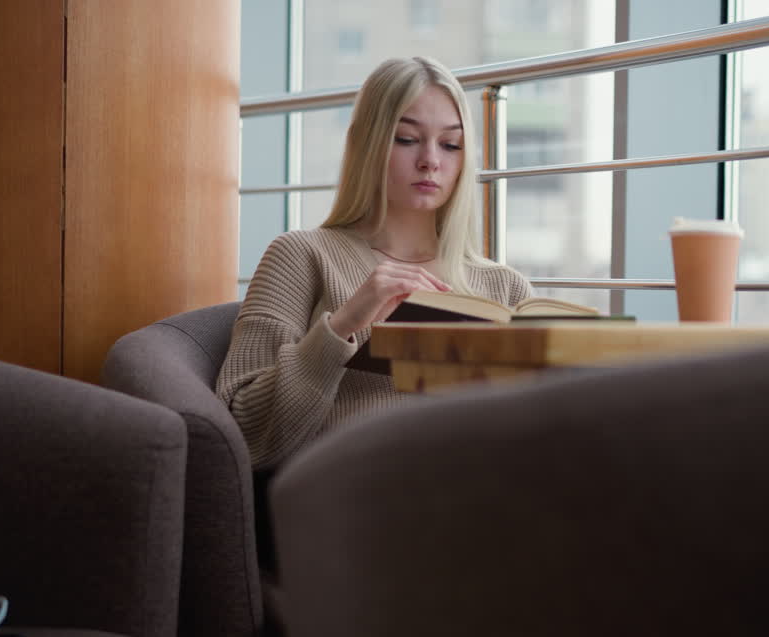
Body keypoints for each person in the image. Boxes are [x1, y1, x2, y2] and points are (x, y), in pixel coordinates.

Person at [217, 56, 533, 472]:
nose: (430, 161)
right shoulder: (301, 255)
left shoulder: (505, 288)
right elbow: (243, 434)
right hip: (362, 492)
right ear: (366, 144)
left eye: (450, 144)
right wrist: (342, 326)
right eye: (406, 139)